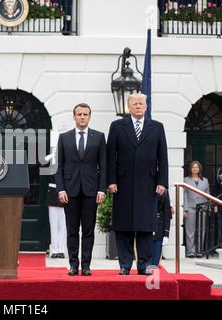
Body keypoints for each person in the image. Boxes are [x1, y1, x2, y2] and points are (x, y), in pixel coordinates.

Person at [107, 93, 168, 276]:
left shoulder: (157, 127)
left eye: (141, 103)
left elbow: (163, 157)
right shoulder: (117, 126)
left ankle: (144, 265)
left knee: (145, 226)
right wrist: (111, 181)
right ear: (129, 106)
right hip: (123, 183)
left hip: (148, 184)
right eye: (135, 104)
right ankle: (125, 265)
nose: (138, 106)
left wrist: (162, 182)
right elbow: (111, 156)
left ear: (146, 106)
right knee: (123, 225)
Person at [55, 103, 107, 276]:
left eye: (85, 114)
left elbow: (103, 166)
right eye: (79, 114)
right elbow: (59, 166)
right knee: (72, 231)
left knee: (88, 230)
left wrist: (101, 190)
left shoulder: (99, 137)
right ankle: (73, 265)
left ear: (89, 117)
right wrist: (61, 189)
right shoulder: (64, 138)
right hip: (69, 191)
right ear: (74, 116)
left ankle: (86, 265)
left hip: (91, 191)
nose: (82, 117)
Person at [183, 161, 210, 257]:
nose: (195, 169)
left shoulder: (205, 180)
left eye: (197, 167)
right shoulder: (185, 180)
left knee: (201, 230)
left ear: (199, 169)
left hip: (202, 208)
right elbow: (184, 195)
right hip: (190, 208)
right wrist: (184, 209)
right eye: (193, 167)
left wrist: (208, 208)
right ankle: (191, 251)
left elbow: (208, 195)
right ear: (190, 169)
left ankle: (199, 251)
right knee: (190, 230)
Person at [45, 152, 66, 259]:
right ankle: (54, 249)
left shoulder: (67, 159)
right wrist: (51, 156)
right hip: (53, 192)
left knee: (63, 224)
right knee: (53, 223)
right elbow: (39, 165)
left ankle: (61, 249)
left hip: (65, 192)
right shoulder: (51, 161)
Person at [152, 191, 172, 266]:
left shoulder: (164, 191)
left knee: (154, 264)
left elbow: (167, 213)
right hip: (145, 226)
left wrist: (166, 234)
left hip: (158, 227)